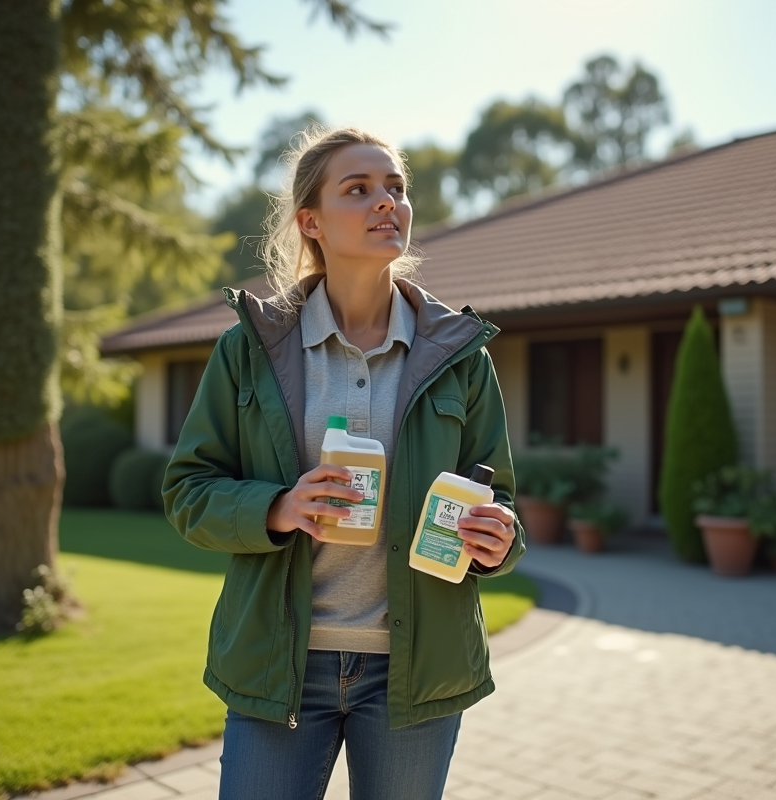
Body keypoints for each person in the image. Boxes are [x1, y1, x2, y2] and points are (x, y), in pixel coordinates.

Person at [162, 126, 525, 800]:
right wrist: (278, 507)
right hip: (281, 665)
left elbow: (498, 501)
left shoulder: (462, 357)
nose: (387, 201)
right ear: (312, 222)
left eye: (396, 187)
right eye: (358, 189)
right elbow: (189, 491)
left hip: (415, 672)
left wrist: (497, 540)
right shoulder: (251, 348)